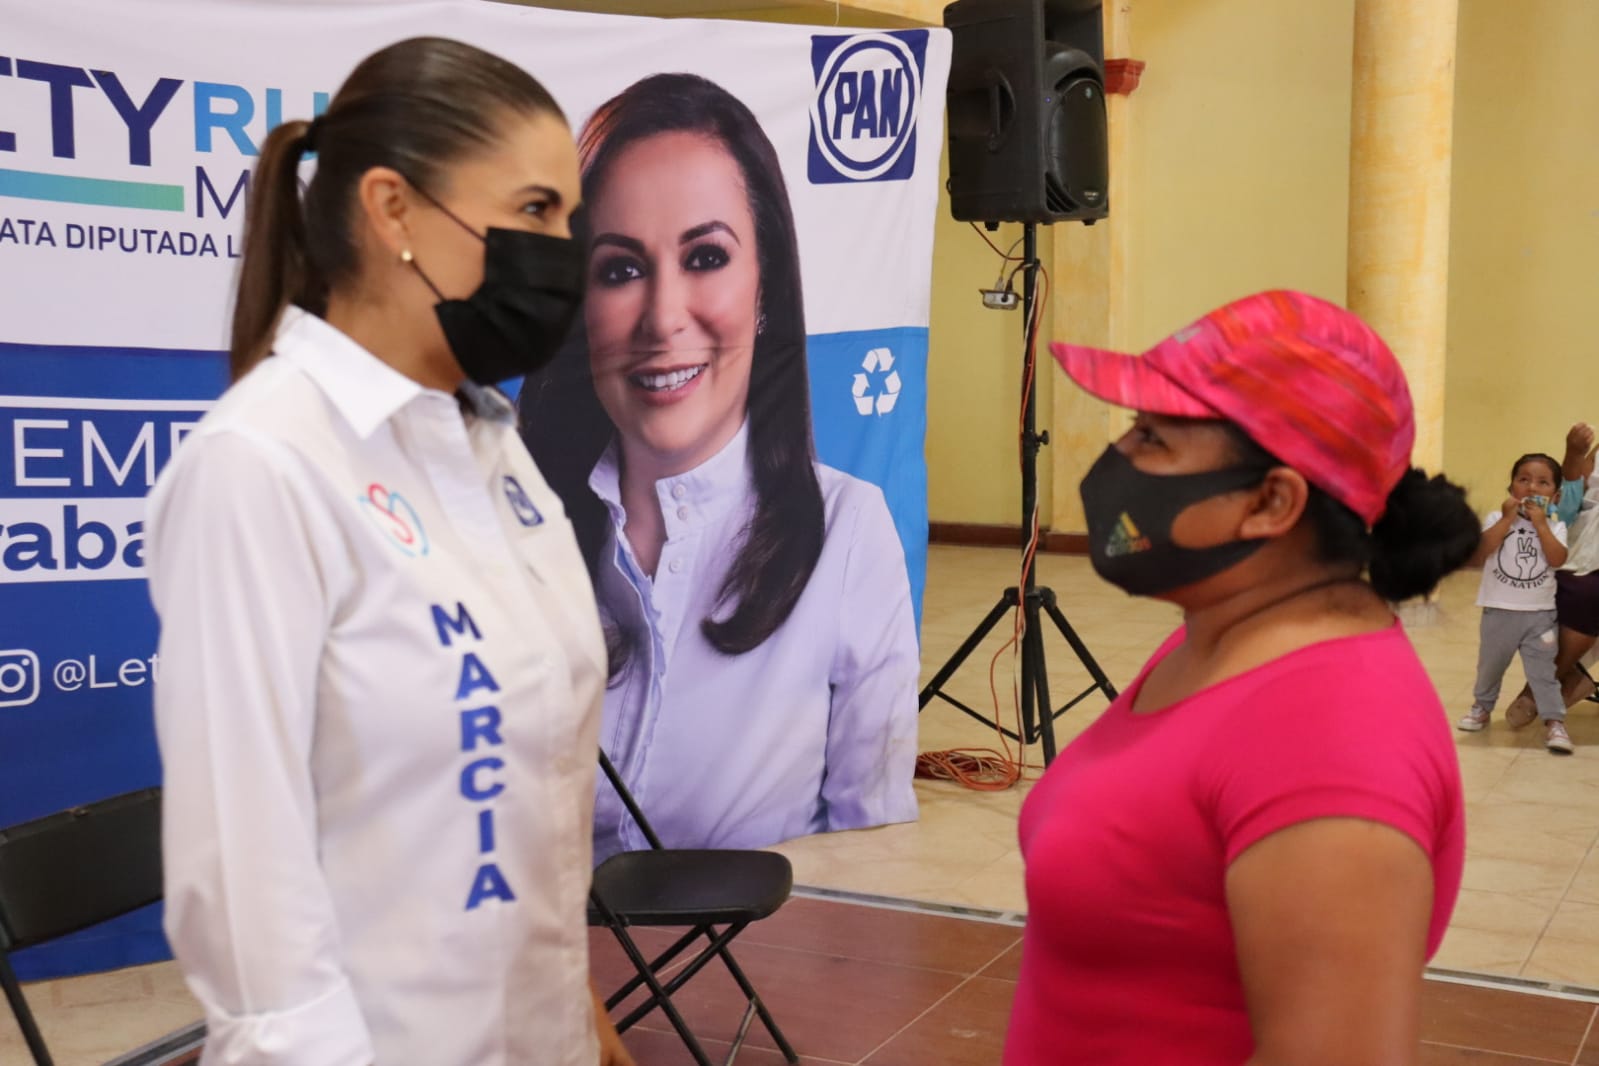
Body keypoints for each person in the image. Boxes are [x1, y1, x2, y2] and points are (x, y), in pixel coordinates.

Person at [146, 38, 632, 1065]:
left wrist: (579, 1015)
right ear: (393, 209)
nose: (565, 249)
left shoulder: (490, 443)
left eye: (571, 219)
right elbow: (245, 881)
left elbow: (521, 795)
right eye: (537, 209)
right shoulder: (263, 463)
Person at [1004, 291, 1479, 1066]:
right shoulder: (1222, 637)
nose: (1115, 459)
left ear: (1270, 500)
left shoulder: (1329, 744)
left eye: (1151, 439)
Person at [518, 73, 919, 859]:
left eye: (705, 256)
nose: (664, 318)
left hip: (749, 972)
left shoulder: (847, 532)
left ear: (765, 286)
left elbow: (869, 847)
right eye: (620, 269)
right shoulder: (509, 529)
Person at [1457, 453, 1571, 751]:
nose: (1532, 488)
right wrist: (1508, 518)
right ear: (1511, 489)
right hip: (1499, 611)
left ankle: (1554, 721)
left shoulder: (1556, 527)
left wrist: (1542, 525)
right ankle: (1482, 706)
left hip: (1540, 615)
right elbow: (1480, 553)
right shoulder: (1496, 519)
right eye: (1524, 480)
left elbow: (1558, 558)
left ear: (1555, 495)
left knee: (1543, 673)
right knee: (1490, 666)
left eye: (1542, 483)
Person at [1504, 422, 1599, 730]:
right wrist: (1574, 451)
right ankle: (1561, 679)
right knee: (1581, 590)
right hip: (1585, 549)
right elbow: (1569, 500)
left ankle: (1546, 687)